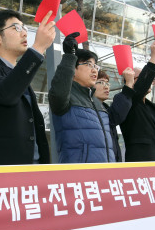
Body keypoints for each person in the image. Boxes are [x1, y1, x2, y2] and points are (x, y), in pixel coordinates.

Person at [0, 9, 55, 165]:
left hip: (33, 170)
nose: (24, 34)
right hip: (3, 173)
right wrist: (37, 49)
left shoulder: (21, 76)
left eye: (25, 28)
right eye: (16, 28)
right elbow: (6, 93)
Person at [48, 35, 115, 163]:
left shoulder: (96, 102)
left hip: (106, 174)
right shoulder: (66, 96)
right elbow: (58, 92)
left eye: (96, 66)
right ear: (73, 68)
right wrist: (69, 56)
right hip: (79, 175)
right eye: (88, 64)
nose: (94, 70)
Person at [120, 41, 155, 162]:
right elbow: (139, 88)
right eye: (140, 77)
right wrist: (154, 57)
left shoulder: (151, 107)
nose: (150, 81)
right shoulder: (127, 101)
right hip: (141, 161)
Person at [93, 68, 135, 162]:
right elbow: (115, 115)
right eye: (101, 82)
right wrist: (128, 85)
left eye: (107, 83)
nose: (106, 87)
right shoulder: (90, 109)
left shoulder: (104, 108)